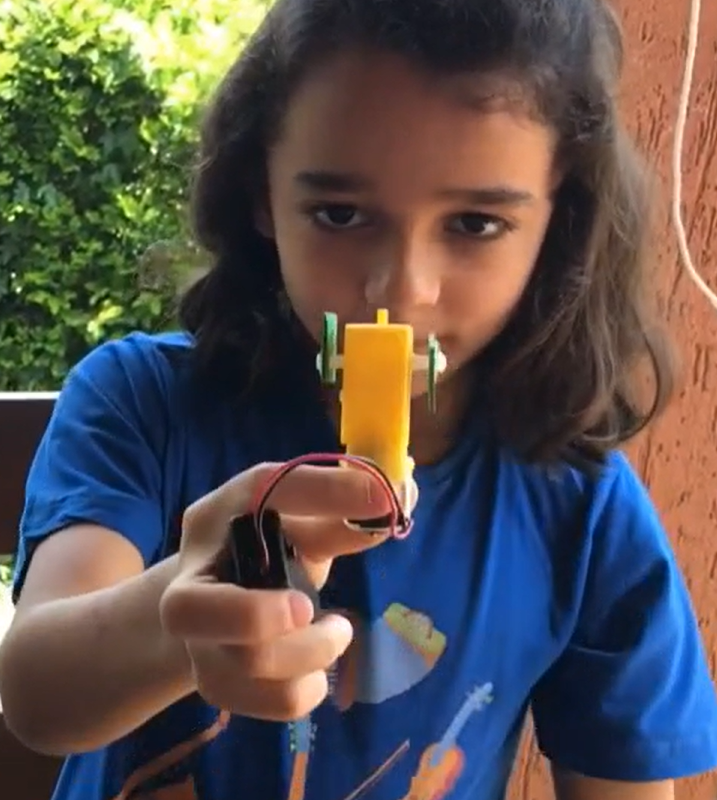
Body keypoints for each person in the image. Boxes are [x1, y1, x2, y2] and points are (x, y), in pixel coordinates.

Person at [1, 0, 716, 798]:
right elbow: (38, 696)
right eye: (339, 214)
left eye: (475, 224)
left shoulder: (580, 507)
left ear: (558, 223)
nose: (399, 291)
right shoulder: (142, 402)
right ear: (261, 196)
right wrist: (175, 619)